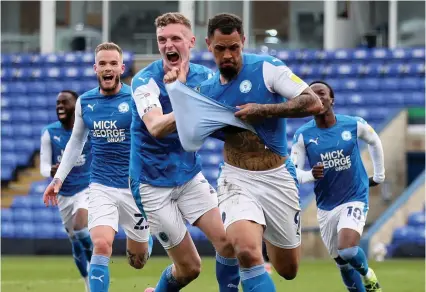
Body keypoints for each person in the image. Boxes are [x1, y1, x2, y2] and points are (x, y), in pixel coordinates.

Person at [164, 13, 323, 292]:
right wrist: (176, 91)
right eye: (220, 48)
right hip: (237, 180)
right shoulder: (207, 92)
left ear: (243, 42)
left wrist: (262, 110)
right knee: (247, 251)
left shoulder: (267, 69)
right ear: (208, 45)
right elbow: (185, 132)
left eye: (234, 48)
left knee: (288, 270)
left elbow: (313, 102)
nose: (228, 55)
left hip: (278, 179)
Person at [130, 12, 240, 292]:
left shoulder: (206, 77)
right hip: (151, 184)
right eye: (162, 40)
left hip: (189, 176)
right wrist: (179, 94)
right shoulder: (144, 82)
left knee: (229, 243)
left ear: (191, 42)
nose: (168, 45)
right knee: (190, 269)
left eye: (176, 38)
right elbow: (155, 126)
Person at [43, 42, 152, 292]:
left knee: (138, 262)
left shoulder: (135, 98)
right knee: (101, 245)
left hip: (135, 188)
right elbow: (75, 144)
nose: (108, 68)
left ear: (121, 68)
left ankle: (147, 239)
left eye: (113, 63)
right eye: (102, 63)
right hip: (101, 186)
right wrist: (58, 180)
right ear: (95, 68)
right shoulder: (86, 102)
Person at [291, 81, 384, 292]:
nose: (318, 98)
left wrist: (379, 176)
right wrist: (309, 175)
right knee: (342, 264)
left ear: (331, 99)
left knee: (348, 251)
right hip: (326, 207)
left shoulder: (352, 124)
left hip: (354, 197)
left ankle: (369, 276)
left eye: (322, 93)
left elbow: (374, 140)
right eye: (312, 95)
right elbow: (292, 170)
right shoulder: (303, 135)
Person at [40, 90, 93, 292]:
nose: (60, 106)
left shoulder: (86, 130)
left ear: (76, 106)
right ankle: (88, 281)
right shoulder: (49, 132)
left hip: (86, 187)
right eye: (57, 103)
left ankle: (98, 264)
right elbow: (44, 166)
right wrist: (51, 171)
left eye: (65, 102)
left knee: (81, 228)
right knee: (76, 242)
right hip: (63, 194)